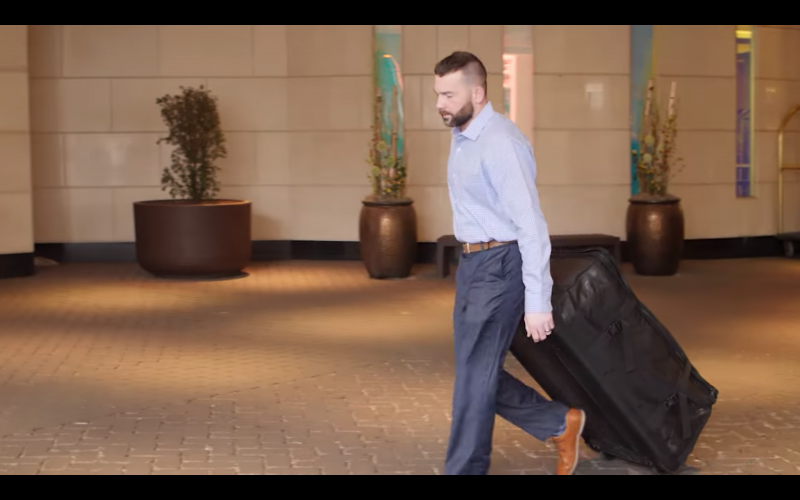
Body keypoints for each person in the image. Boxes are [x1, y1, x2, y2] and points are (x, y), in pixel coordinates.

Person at [434, 51, 586, 476]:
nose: (440, 104)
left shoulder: (501, 144)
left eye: (449, 95)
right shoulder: (464, 134)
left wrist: (538, 301)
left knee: (473, 378)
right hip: (473, 264)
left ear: (478, 93)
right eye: (438, 94)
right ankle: (559, 422)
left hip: (500, 263)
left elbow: (531, 225)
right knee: (475, 372)